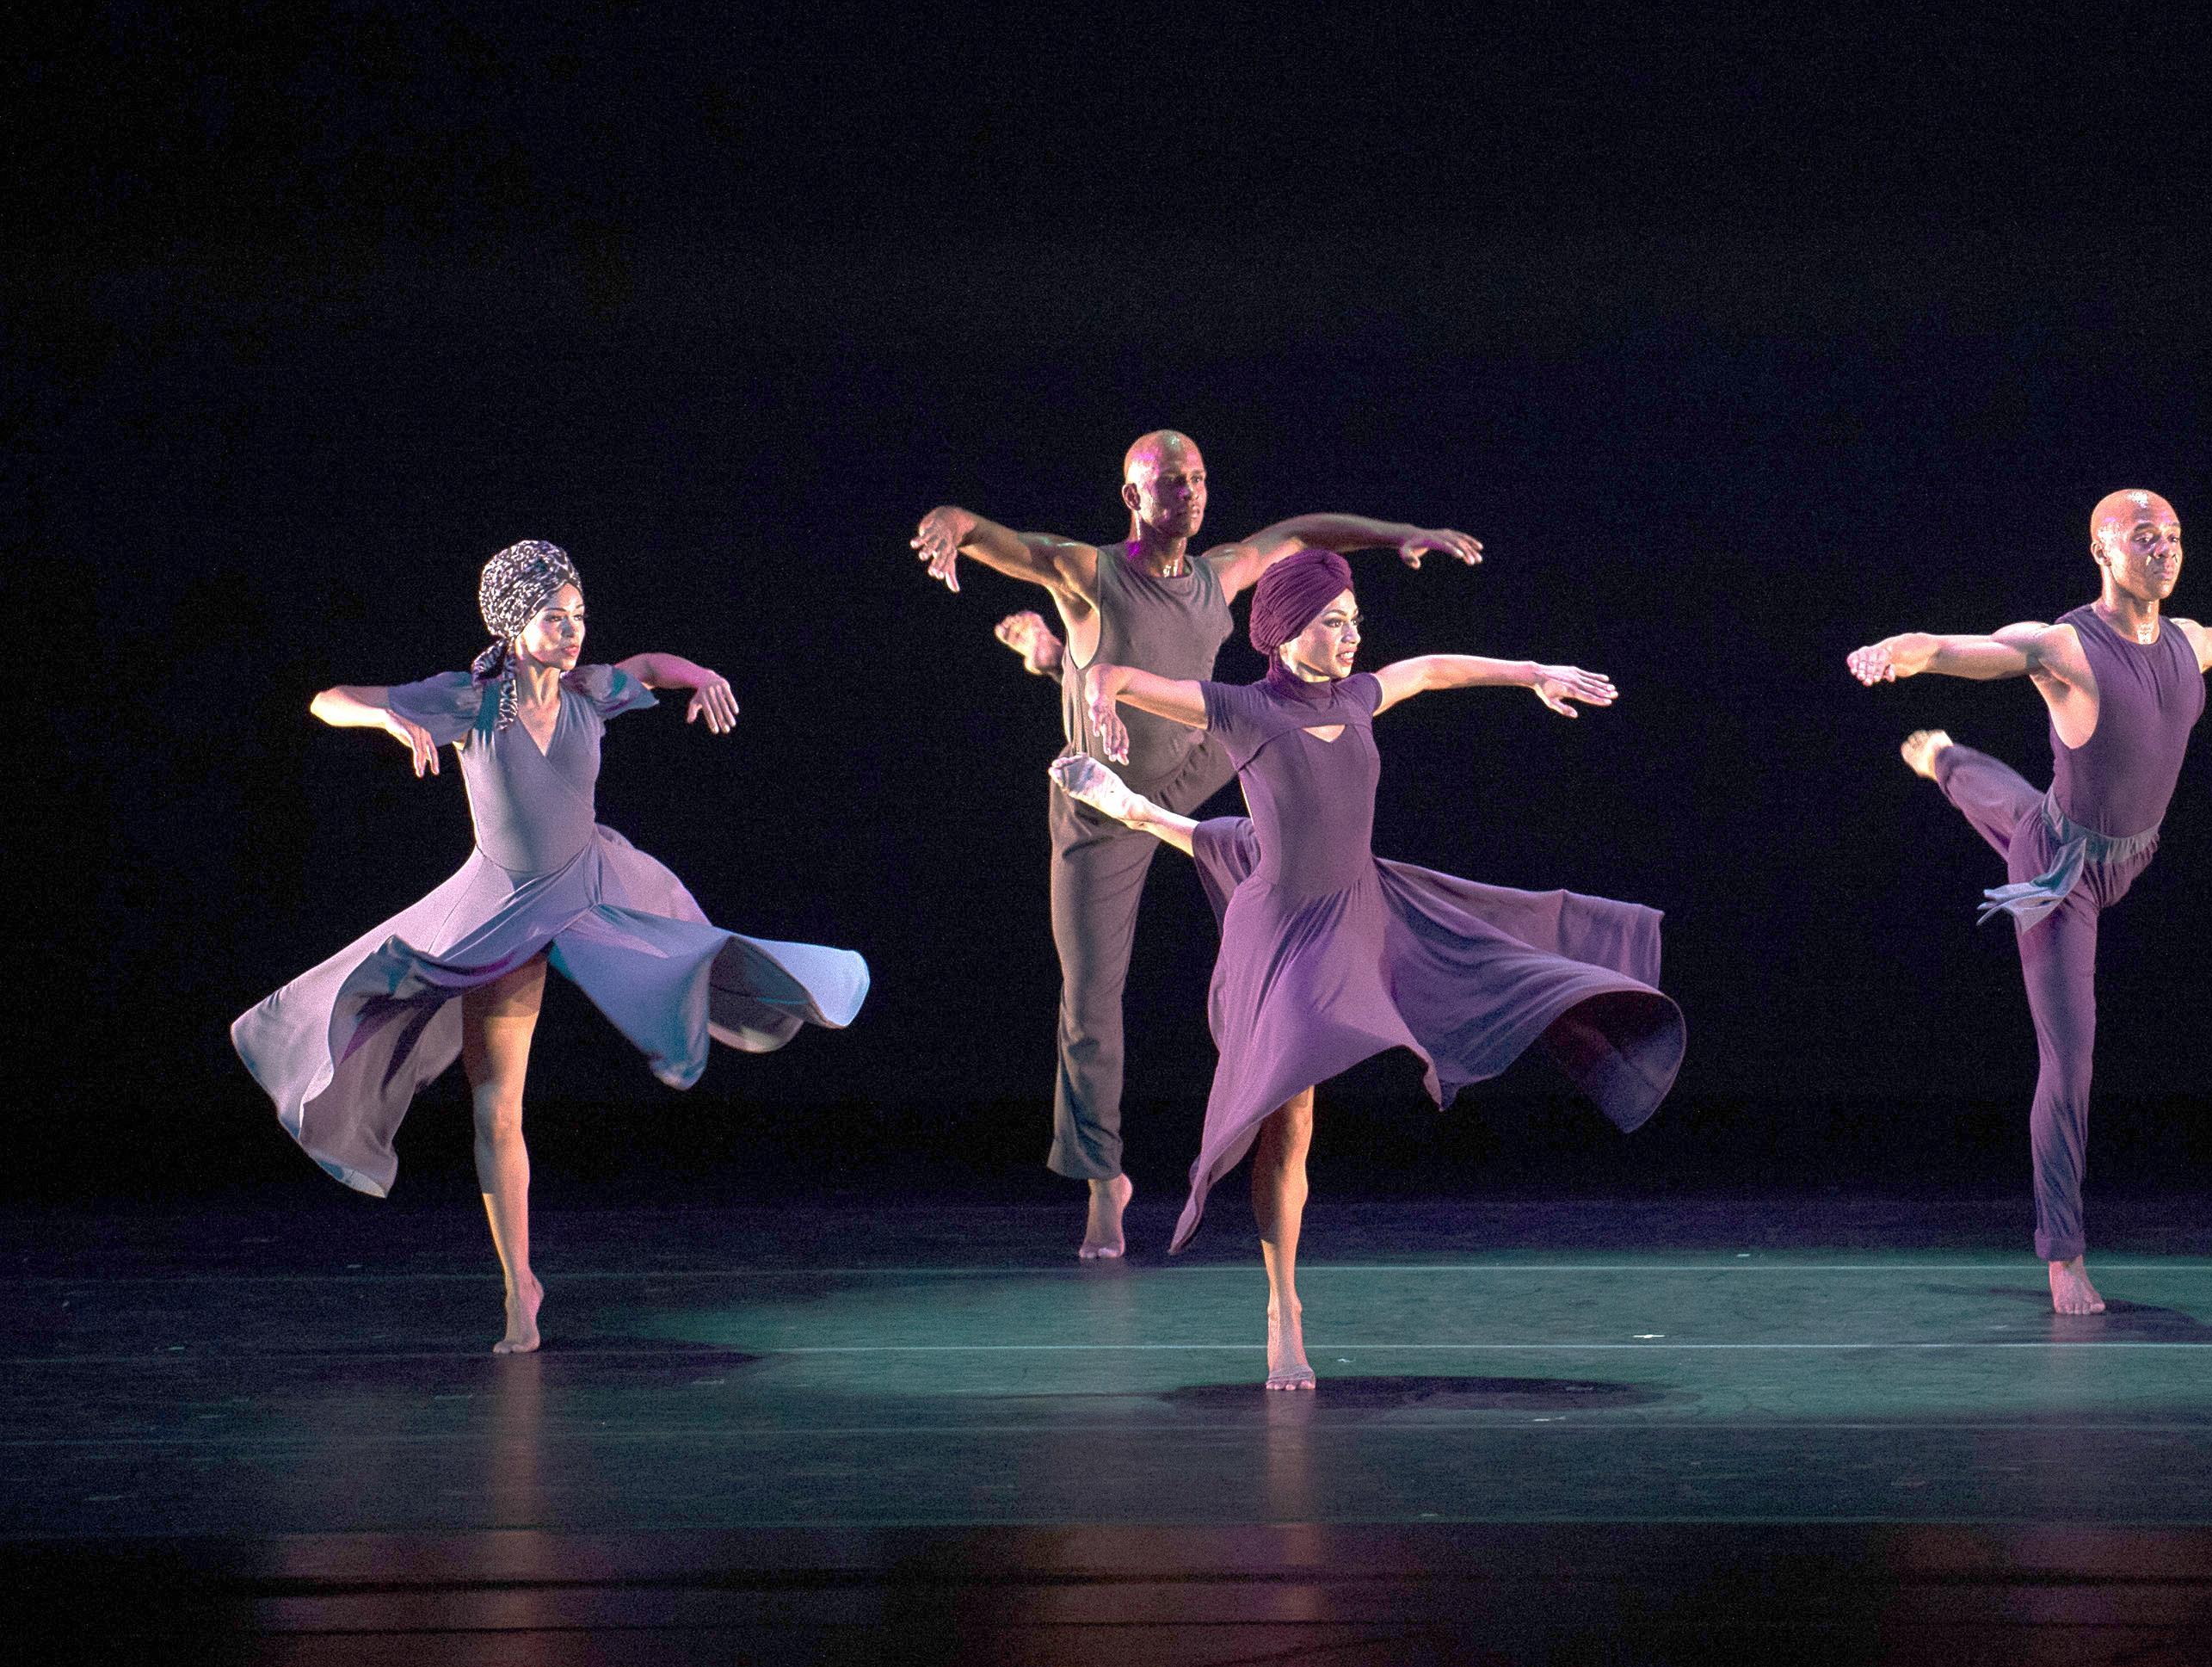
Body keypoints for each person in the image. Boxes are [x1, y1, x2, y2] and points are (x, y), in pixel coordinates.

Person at [1058, 549, 1685, 1387]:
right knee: (1288, 1116)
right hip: (1284, 930)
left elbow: (1429, 669)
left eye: (1356, 622)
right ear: (1284, 634)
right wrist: (1098, 690)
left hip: (1366, 906)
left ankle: (1136, 810)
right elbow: (1125, 678)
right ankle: (1284, 1305)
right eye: (1333, 623)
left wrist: (1531, 671)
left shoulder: (1358, 696)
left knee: (1512, 955)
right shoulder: (1241, 708)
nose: (1351, 638)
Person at [232, 540, 869, 1353]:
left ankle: (768, 996)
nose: (572, 632)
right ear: (512, 622)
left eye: (578, 616)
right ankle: (519, 1288)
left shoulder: (589, 692)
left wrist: (701, 676)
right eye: (554, 617)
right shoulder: (467, 699)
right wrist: (388, 715)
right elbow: (327, 699)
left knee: (699, 954)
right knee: (497, 1105)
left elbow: (646, 662)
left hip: (595, 890)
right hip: (506, 911)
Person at [1846, 489, 2212, 1313]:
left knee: (2021, 809)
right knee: (2070, 1055)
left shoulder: (2186, 641)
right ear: (2101, 550)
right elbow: (1972, 647)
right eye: (2144, 537)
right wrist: (1903, 650)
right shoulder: (2066, 645)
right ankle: (2064, 1253)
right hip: (2062, 876)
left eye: (2175, 537)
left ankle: (1945, 758)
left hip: (2130, 850)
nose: (2165, 549)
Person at [910, 429, 1483, 1260]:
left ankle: (1055, 661)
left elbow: (1301, 533)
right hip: (1104, 806)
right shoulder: (1090, 570)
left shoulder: (1217, 574)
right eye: (1171, 483)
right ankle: (1105, 1177)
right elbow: (1005, 542)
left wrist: (1395, 535)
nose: (1191, 493)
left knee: (1276, 711)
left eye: (1200, 479)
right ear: (1133, 498)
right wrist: (953, 520)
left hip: (1197, 759)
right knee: (1090, 994)